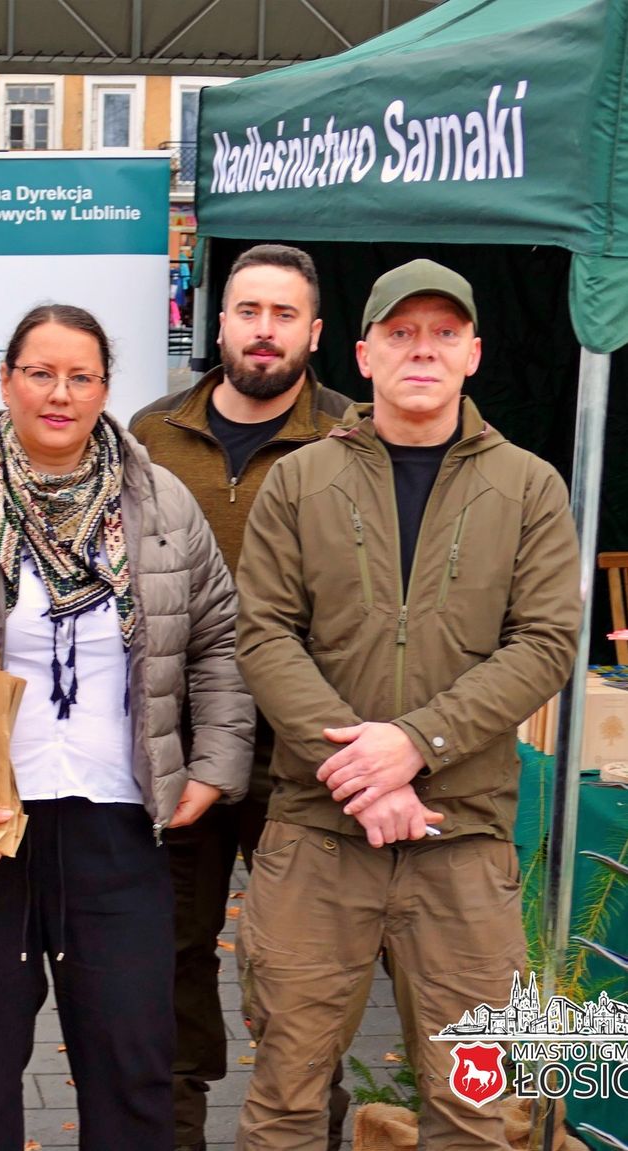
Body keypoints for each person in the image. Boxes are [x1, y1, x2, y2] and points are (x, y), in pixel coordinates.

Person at [0, 304, 254, 1151]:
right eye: (39, 372)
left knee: (133, 1068)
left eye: (80, 376)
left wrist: (216, 762)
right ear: (5, 382)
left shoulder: (162, 505)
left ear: (106, 390)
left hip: (119, 821)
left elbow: (218, 642)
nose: (59, 392)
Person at [233, 260, 580, 1148]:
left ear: (473, 352)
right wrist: (364, 772)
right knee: (286, 1098)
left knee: (475, 1110)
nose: (421, 349)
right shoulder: (302, 480)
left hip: (461, 841)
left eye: (442, 334)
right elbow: (266, 636)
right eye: (400, 333)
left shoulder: (530, 487)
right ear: (363, 352)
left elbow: (544, 643)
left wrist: (416, 743)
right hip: (316, 837)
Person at [129, 243, 352, 1151]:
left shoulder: (355, 436)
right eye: (248, 311)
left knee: (307, 968)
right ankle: (174, 1131)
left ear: (316, 332)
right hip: (176, 753)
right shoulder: (148, 434)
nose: (264, 332)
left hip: (309, 752)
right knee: (169, 954)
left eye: (284, 315)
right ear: (217, 321)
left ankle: (308, 1128)